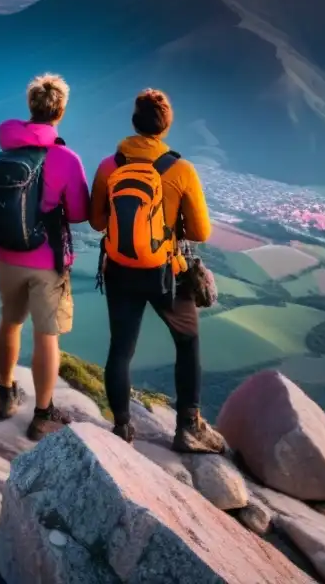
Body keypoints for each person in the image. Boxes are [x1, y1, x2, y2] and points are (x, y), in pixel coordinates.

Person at [89, 88, 225, 453]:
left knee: (120, 350)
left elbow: (97, 221)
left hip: (119, 269)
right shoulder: (180, 170)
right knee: (187, 342)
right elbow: (200, 232)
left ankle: (121, 427)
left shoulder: (108, 166)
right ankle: (188, 427)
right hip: (166, 273)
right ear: (166, 126)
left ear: (134, 122)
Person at [0, 74, 90, 441]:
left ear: (30, 107)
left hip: (8, 255)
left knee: (10, 323)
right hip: (48, 260)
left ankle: (5, 396)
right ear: (61, 111)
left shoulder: (2, 155)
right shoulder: (66, 158)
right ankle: (42, 414)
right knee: (47, 336)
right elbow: (81, 212)